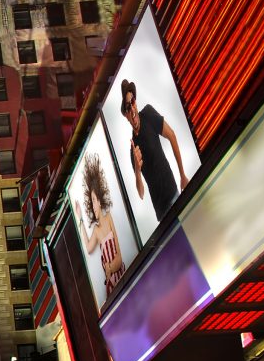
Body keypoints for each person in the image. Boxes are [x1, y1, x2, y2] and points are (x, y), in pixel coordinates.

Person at [121, 79, 188, 219]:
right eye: (128, 107)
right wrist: (137, 171)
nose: (132, 109)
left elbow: (171, 135)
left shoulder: (148, 115)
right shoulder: (133, 150)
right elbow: (141, 194)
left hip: (173, 194)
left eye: (132, 101)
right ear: (125, 115)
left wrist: (182, 174)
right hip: (161, 213)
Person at [75, 153, 125, 299]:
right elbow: (89, 248)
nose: (93, 205)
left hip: (121, 275)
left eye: (94, 200)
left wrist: (110, 268)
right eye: (91, 201)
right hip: (111, 285)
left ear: (100, 200)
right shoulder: (96, 231)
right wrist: (80, 219)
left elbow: (120, 257)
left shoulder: (109, 218)